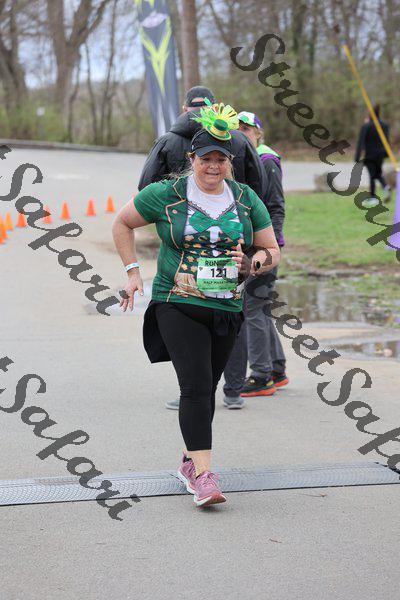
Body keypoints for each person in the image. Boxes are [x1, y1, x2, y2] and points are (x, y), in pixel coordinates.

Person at [112, 102, 280, 507]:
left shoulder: (245, 199)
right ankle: (204, 477)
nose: (213, 166)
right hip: (177, 301)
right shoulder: (166, 194)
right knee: (195, 386)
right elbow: (122, 223)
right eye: (206, 158)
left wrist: (254, 263)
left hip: (226, 307)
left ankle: (190, 461)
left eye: (221, 159)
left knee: (208, 389)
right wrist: (133, 273)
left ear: (229, 163)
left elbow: (271, 249)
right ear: (192, 159)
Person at [223, 110, 287, 408]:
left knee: (252, 310)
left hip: (264, 250)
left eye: (247, 129)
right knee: (259, 307)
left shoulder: (266, 160)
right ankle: (276, 369)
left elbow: (275, 206)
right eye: (237, 128)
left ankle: (261, 376)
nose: (242, 133)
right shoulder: (241, 159)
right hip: (251, 248)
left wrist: (269, 247)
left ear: (258, 133)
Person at [138, 85, 267, 202]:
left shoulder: (165, 142)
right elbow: (259, 184)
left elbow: (146, 188)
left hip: (178, 217)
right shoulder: (239, 139)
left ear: (185, 109)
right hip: (234, 216)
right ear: (215, 108)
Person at [355, 105, 391, 207]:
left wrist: (357, 157)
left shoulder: (366, 126)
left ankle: (373, 197)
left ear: (370, 114)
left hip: (370, 155)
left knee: (372, 174)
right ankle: (385, 186)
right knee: (377, 173)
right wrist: (387, 153)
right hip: (381, 154)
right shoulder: (384, 125)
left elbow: (360, 142)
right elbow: (387, 140)